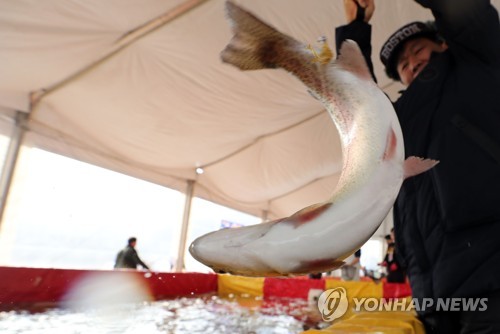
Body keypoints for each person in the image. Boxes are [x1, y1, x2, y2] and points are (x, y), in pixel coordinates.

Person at [336, 0, 500, 332]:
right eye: (403, 65)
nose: (412, 63)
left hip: (491, 274)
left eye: (418, 50)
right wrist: (355, 26)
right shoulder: (398, 120)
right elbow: (356, 102)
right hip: (431, 291)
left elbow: (468, 14)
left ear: (445, 43)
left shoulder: (478, 65)